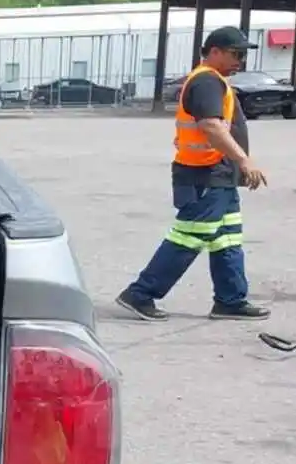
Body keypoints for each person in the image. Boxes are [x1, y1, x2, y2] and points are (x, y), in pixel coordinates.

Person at [115, 26, 271, 321]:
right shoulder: (207, 82)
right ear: (214, 51)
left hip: (218, 175)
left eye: (243, 54)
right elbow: (211, 126)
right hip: (203, 176)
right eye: (235, 54)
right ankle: (140, 293)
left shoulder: (215, 81)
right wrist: (244, 161)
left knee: (227, 238)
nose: (240, 60)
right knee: (187, 239)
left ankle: (231, 299)